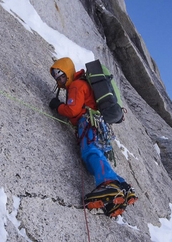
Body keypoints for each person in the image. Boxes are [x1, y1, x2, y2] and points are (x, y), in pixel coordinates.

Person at [48, 57, 137, 217]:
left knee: (91, 152)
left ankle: (109, 184)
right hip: (97, 124)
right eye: (57, 78)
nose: (59, 80)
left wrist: (58, 106)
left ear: (68, 73)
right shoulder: (81, 83)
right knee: (97, 154)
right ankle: (122, 188)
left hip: (87, 122)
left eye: (61, 76)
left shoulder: (76, 85)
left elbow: (72, 111)